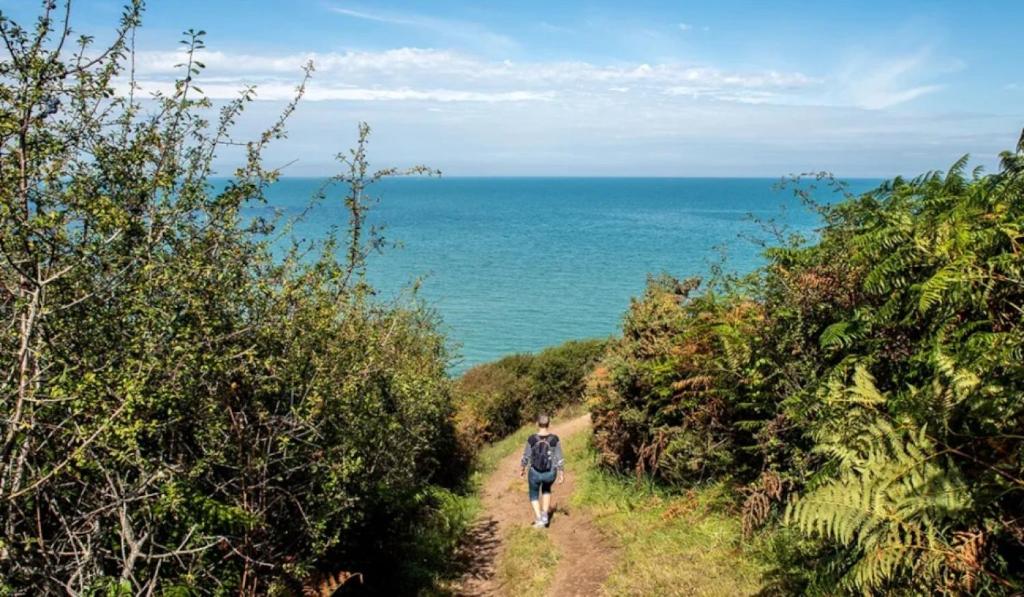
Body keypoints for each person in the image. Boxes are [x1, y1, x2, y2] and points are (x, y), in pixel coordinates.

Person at [519, 414, 565, 528]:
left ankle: (539, 518)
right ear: (549, 424)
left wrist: (522, 468)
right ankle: (545, 516)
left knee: (533, 494)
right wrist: (561, 473)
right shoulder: (554, 439)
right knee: (546, 490)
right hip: (550, 473)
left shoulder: (532, 439)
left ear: (537, 424)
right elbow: (559, 457)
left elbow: (526, 456)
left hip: (534, 472)